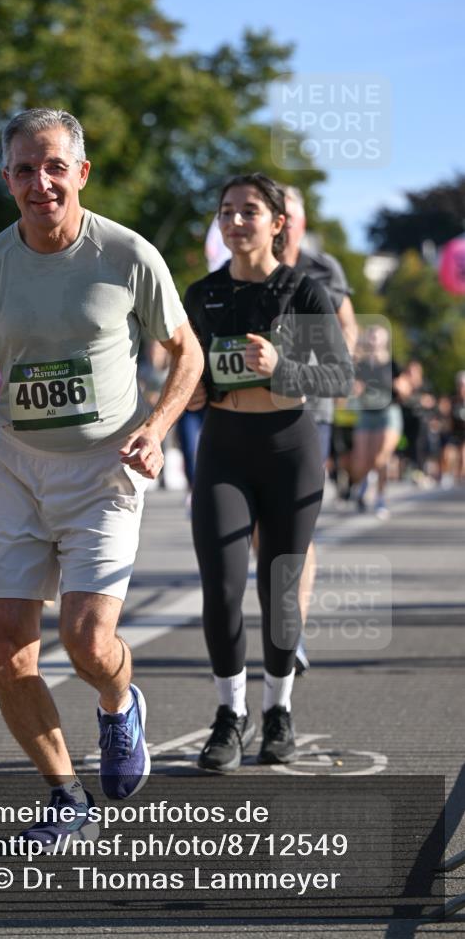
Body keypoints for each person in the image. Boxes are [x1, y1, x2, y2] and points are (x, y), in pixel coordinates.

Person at [0, 108, 203, 848]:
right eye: (24, 168)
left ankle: (118, 704)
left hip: (104, 469)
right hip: (15, 468)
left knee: (85, 640)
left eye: (54, 166)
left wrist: (157, 426)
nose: (39, 182)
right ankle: (62, 792)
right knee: (8, 644)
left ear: (80, 172)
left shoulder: (127, 254)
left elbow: (186, 353)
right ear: (7, 180)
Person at [184, 173, 353, 772]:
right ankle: (230, 715)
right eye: (226, 210)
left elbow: (337, 376)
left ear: (277, 222)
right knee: (223, 588)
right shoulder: (201, 294)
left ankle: (278, 709)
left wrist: (283, 365)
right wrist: (193, 393)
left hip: (289, 449)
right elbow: (184, 374)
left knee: (280, 592)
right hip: (225, 448)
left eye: (248, 211)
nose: (234, 221)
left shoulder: (301, 290)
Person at [281, 187, 358, 675]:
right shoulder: (247, 269)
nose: (284, 224)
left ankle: (291, 631)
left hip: (315, 411)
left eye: (291, 215)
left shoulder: (325, 268)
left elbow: (348, 327)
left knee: (296, 528)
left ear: (302, 221)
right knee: (265, 537)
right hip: (254, 410)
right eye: (277, 215)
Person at [349, 324, 403, 518]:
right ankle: (365, 482)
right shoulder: (361, 365)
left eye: (376, 337)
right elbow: (352, 389)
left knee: (381, 457)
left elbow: (405, 389)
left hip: (388, 412)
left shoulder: (392, 364)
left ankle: (380, 498)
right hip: (366, 413)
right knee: (362, 459)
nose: (373, 340)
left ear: (384, 341)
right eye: (370, 336)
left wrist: (396, 386)